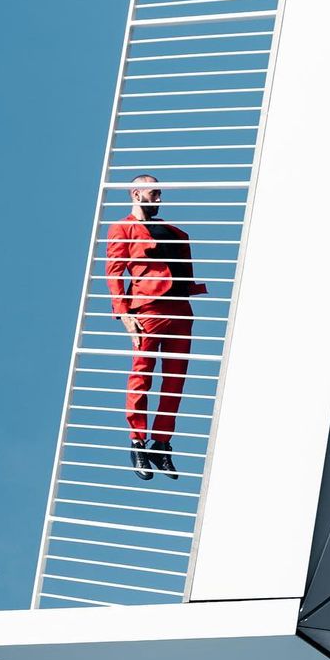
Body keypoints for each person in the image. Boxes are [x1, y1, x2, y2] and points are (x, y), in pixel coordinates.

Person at [105, 174, 207, 480]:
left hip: (180, 309)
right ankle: (137, 442)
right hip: (148, 308)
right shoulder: (122, 228)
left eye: (160, 193)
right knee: (142, 375)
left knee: (175, 380)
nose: (159, 198)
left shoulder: (173, 231)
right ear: (136, 194)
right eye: (153, 193)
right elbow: (114, 272)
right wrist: (123, 313)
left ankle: (161, 444)